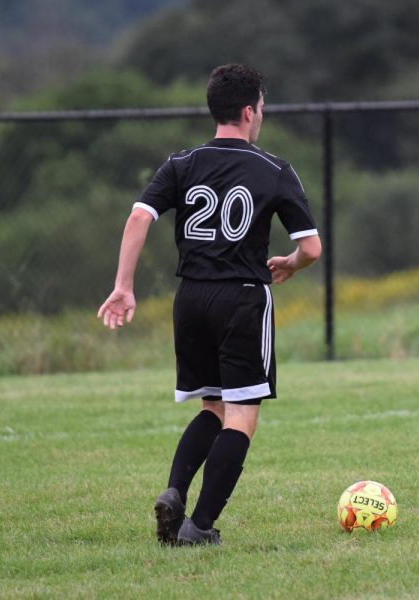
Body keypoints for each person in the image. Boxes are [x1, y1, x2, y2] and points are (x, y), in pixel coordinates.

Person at [97, 63, 321, 546]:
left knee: (212, 407)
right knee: (241, 414)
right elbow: (313, 248)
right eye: (262, 107)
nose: (262, 115)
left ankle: (175, 491)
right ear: (248, 111)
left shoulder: (182, 163)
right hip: (242, 297)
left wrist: (124, 285)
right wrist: (292, 263)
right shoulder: (274, 169)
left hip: (191, 297)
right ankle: (198, 527)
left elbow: (138, 218)